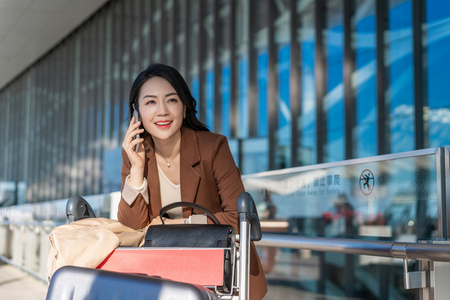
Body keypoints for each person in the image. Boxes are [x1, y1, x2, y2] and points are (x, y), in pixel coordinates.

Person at [117, 63, 267, 299]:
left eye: (172, 100)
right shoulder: (136, 154)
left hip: (221, 274)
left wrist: (179, 225)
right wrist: (136, 171)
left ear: (184, 106)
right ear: (137, 111)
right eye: (150, 102)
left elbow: (239, 219)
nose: (163, 111)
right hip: (165, 273)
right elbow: (133, 228)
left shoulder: (213, 147)